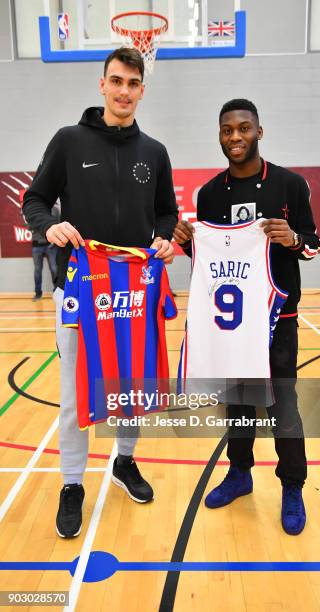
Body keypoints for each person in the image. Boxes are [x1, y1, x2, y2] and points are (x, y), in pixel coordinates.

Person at [23, 47, 178, 538]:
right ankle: (72, 483)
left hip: (134, 291)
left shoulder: (154, 152)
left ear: (142, 91)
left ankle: (125, 461)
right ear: (102, 84)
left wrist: (164, 238)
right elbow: (35, 199)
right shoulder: (69, 141)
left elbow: (167, 213)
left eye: (133, 84)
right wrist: (49, 225)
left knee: (130, 389)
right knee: (74, 397)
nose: (124, 91)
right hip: (81, 291)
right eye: (117, 81)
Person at [173, 98, 320, 535]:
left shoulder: (291, 185)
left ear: (259, 131)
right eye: (226, 130)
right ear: (219, 135)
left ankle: (292, 485)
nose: (234, 137)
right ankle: (240, 473)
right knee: (236, 400)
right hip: (231, 324)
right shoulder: (210, 194)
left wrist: (292, 238)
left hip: (279, 317)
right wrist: (185, 240)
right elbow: (212, 258)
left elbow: (312, 245)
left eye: (243, 128)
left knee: (283, 404)